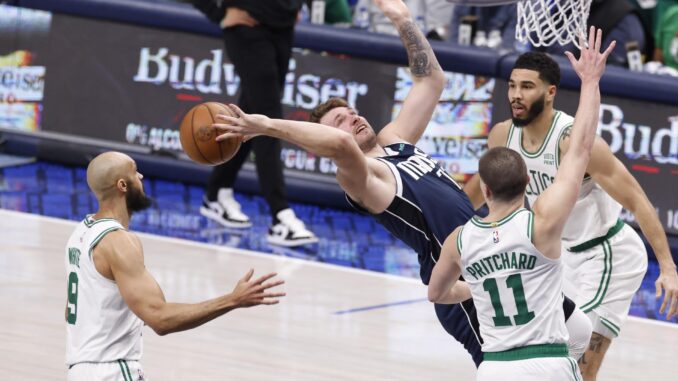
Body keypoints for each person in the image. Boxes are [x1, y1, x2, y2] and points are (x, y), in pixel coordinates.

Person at [211, 0, 592, 367]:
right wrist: (265, 125)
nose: (353, 120)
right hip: (458, 281)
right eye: (341, 120)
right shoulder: (362, 178)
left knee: (579, 332)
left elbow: (432, 79)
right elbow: (342, 146)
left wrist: (402, 18)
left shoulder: (395, 141)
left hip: (497, 256)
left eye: (353, 112)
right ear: (324, 143)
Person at [463, 48, 678, 381]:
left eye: (527, 86)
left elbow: (637, 199)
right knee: (549, 357)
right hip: (558, 260)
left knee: (579, 361)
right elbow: (477, 191)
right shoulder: (503, 135)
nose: (516, 95)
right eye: (512, 85)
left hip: (606, 254)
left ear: (550, 93)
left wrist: (667, 266)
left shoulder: (572, 141)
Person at [428, 27, 614, 380]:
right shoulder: (541, 223)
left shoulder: (459, 240)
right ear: (529, 183)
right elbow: (580, 150)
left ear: (484, 190)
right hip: (547, 363)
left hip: (495, 368)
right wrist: (590, 82)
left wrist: (478, 285)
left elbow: (436, 293)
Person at [65, 151, 285, 380]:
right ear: (122, 185)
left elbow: (80, 308)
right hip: (111, 371)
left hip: (80, 370)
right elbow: (160, 319)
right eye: (134, 171)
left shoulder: (81, 233)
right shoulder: (119, 241)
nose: (140, 176)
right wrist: (233, 299)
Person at [190, 0, 317, 247]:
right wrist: (218, 14)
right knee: (268, 117)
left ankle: (217, 191)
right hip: (246, 26)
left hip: (283, 26)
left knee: (252, 111)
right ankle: (280, 215)